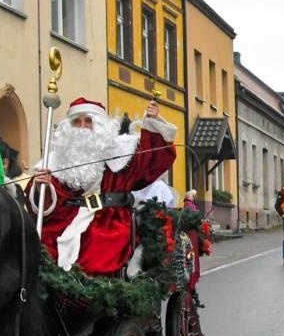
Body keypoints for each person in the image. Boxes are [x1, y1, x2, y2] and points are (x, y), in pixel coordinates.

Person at [29, 98, 177, 276]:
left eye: (88, 121)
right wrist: (40, 187)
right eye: (77, 121)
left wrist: (152, 124)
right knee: (40, 250)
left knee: (95, 254)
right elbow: (47, 206)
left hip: (107, 220)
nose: (82, 127)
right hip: (65, 219)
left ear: (99, 126)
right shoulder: (54, 160)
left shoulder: (120, 154)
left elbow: (153, 160)